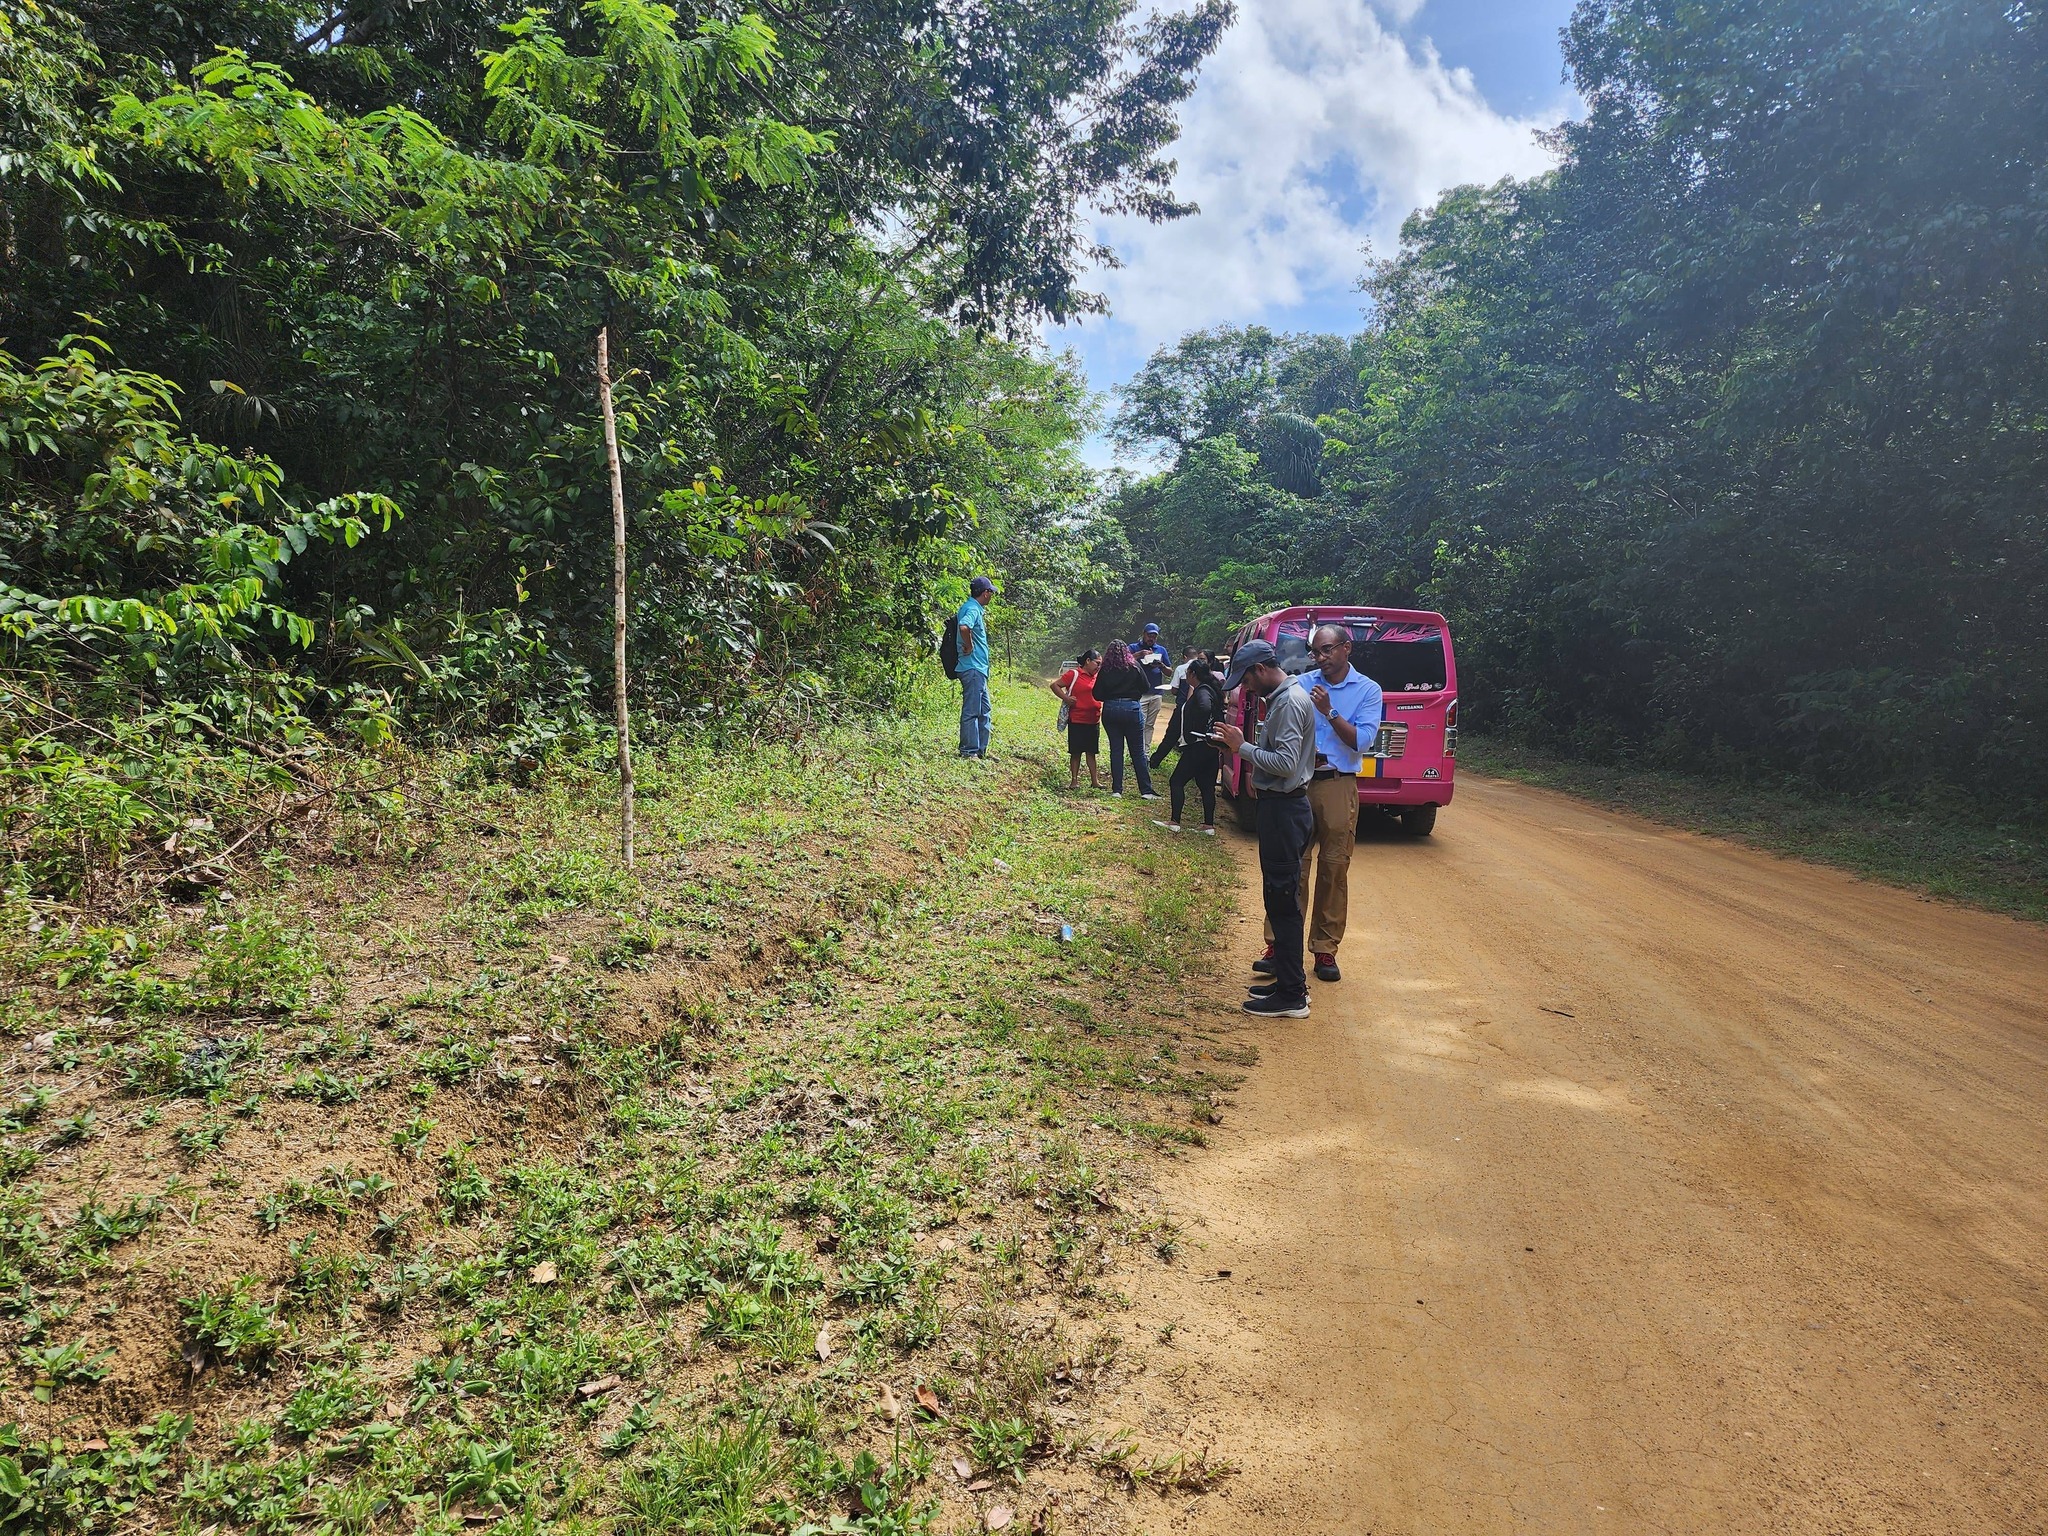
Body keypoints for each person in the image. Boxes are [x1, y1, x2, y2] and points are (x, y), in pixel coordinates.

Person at [1213, 639, 1318, 1018]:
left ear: (1260, 669)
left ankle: (1292, 995)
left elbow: (1286, 764)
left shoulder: (1288, 703)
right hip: (1283, 809)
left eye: (1246, 680)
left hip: (1284, 811)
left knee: (1282, 901)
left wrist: (1241, 748)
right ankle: (1290, 983)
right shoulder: (1286, 698)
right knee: (1280, 900)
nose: (1246, 688)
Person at [1148, 654, 1223, 833]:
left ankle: (1174, 822)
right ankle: (1208, 825)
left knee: (1176, 781)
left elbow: (1204, 707)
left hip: (1198, 745)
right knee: (1206, 786)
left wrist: (1198, 729)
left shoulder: (1202, 691)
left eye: (1187, 673)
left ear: (1193, 674)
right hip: (1210, 747)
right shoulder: (1210, 689)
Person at [1092, 641, 1158, 799]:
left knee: (1116, 750)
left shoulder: (1105, 670)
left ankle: (1117, 790)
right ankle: (1146, 791)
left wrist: (1110, 697)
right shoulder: (1134, 666)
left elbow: (1097, 694)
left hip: (1111, 709)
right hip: (1131, 708)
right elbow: (1145, 686)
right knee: (1138, 752)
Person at [1051, 649, 1103, 791]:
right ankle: (1074, 781)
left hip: (1094, 720)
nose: (1099, 666)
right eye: (1097, 663)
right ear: (1088, 661)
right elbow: (1054, 685)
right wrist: (1066, 698)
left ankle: (1095, 781)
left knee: (1091, 752)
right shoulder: (1074, 674)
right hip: (1077, 720)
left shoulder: (1098, 676)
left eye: (1100, 664)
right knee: (1076, 752)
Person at [953, 576, 994, 759]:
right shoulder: (972, 609)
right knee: (972, 711)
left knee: (984, 710)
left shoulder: (974, 608)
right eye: (990, 592)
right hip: (972, 667)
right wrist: (969, 646)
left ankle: (980, 751)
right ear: (985, 593)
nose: (991, 595)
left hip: (978, 669)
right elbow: (964, 627)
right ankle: (969, 752)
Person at [1134, 623, 1172, 745]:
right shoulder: (1134, 647)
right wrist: (1140, 654)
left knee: (1149, 725)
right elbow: (1124, 661)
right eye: (1149, 635)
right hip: (1139, 693)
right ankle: (1137, 750)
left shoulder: (1161, 650)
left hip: (1156, 692)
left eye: (1154, 636)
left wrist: (1161, 665)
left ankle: (1145, 751)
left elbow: (1169, 672)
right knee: (1139, 723)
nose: (1151, 638)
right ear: (1143, 634)